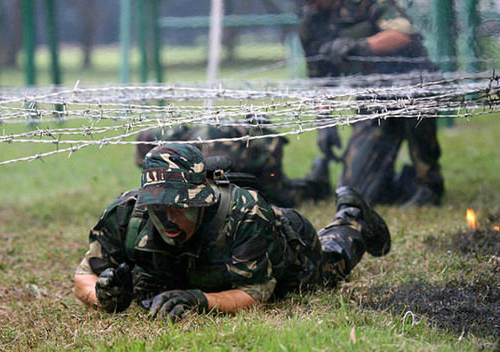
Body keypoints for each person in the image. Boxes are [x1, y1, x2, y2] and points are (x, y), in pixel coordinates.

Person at [74, 143, 391, 320]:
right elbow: (83, 277)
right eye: (159, 209)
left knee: (330, 264)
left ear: (201, 201)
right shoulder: (127, 214)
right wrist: (103, 295)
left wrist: (201, 300)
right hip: (192, 269)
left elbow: (256, 292)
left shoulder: (245, 214)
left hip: (286, 251)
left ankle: (353, 217)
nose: (168, 219)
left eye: (179, 208)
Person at [299, 0, 444, 206]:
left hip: (412, 85)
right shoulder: (311, 21)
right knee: (355, 191)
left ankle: (429, 183)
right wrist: (324, 123)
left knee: (417, 102)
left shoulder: (368, 3)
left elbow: (402, 34)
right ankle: (401, 182)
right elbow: (319, 79)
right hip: (373, 100)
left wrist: (359, 46)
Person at [134, 116, 331, 208]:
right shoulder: (189, 140)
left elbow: (218, 182)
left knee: (283, 197)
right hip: (242, 154)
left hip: (263, 149)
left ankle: (318, 182)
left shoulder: (203, 145)